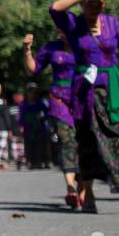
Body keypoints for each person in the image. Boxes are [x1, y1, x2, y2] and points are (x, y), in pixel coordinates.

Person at [50, 0, 119, 214]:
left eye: (100, 1)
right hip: (86, 93)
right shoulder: (74, 24)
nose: (96, 5)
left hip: (115, 89)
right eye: (92, 1)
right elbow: (55, 8)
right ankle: (89, 193)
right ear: (83, 2)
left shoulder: (112, 23)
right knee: (88, 141)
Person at [24, 32, 79, 206]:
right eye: (59, 29)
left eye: (65, 28)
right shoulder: (52, 47)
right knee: (66, 140)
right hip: (59, 99)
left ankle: (85, 188)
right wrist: (26, 50)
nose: (61, 33)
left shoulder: (85, 43)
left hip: (83, 97)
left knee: (84, 141)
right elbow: (33, 69)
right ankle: (71, 188)